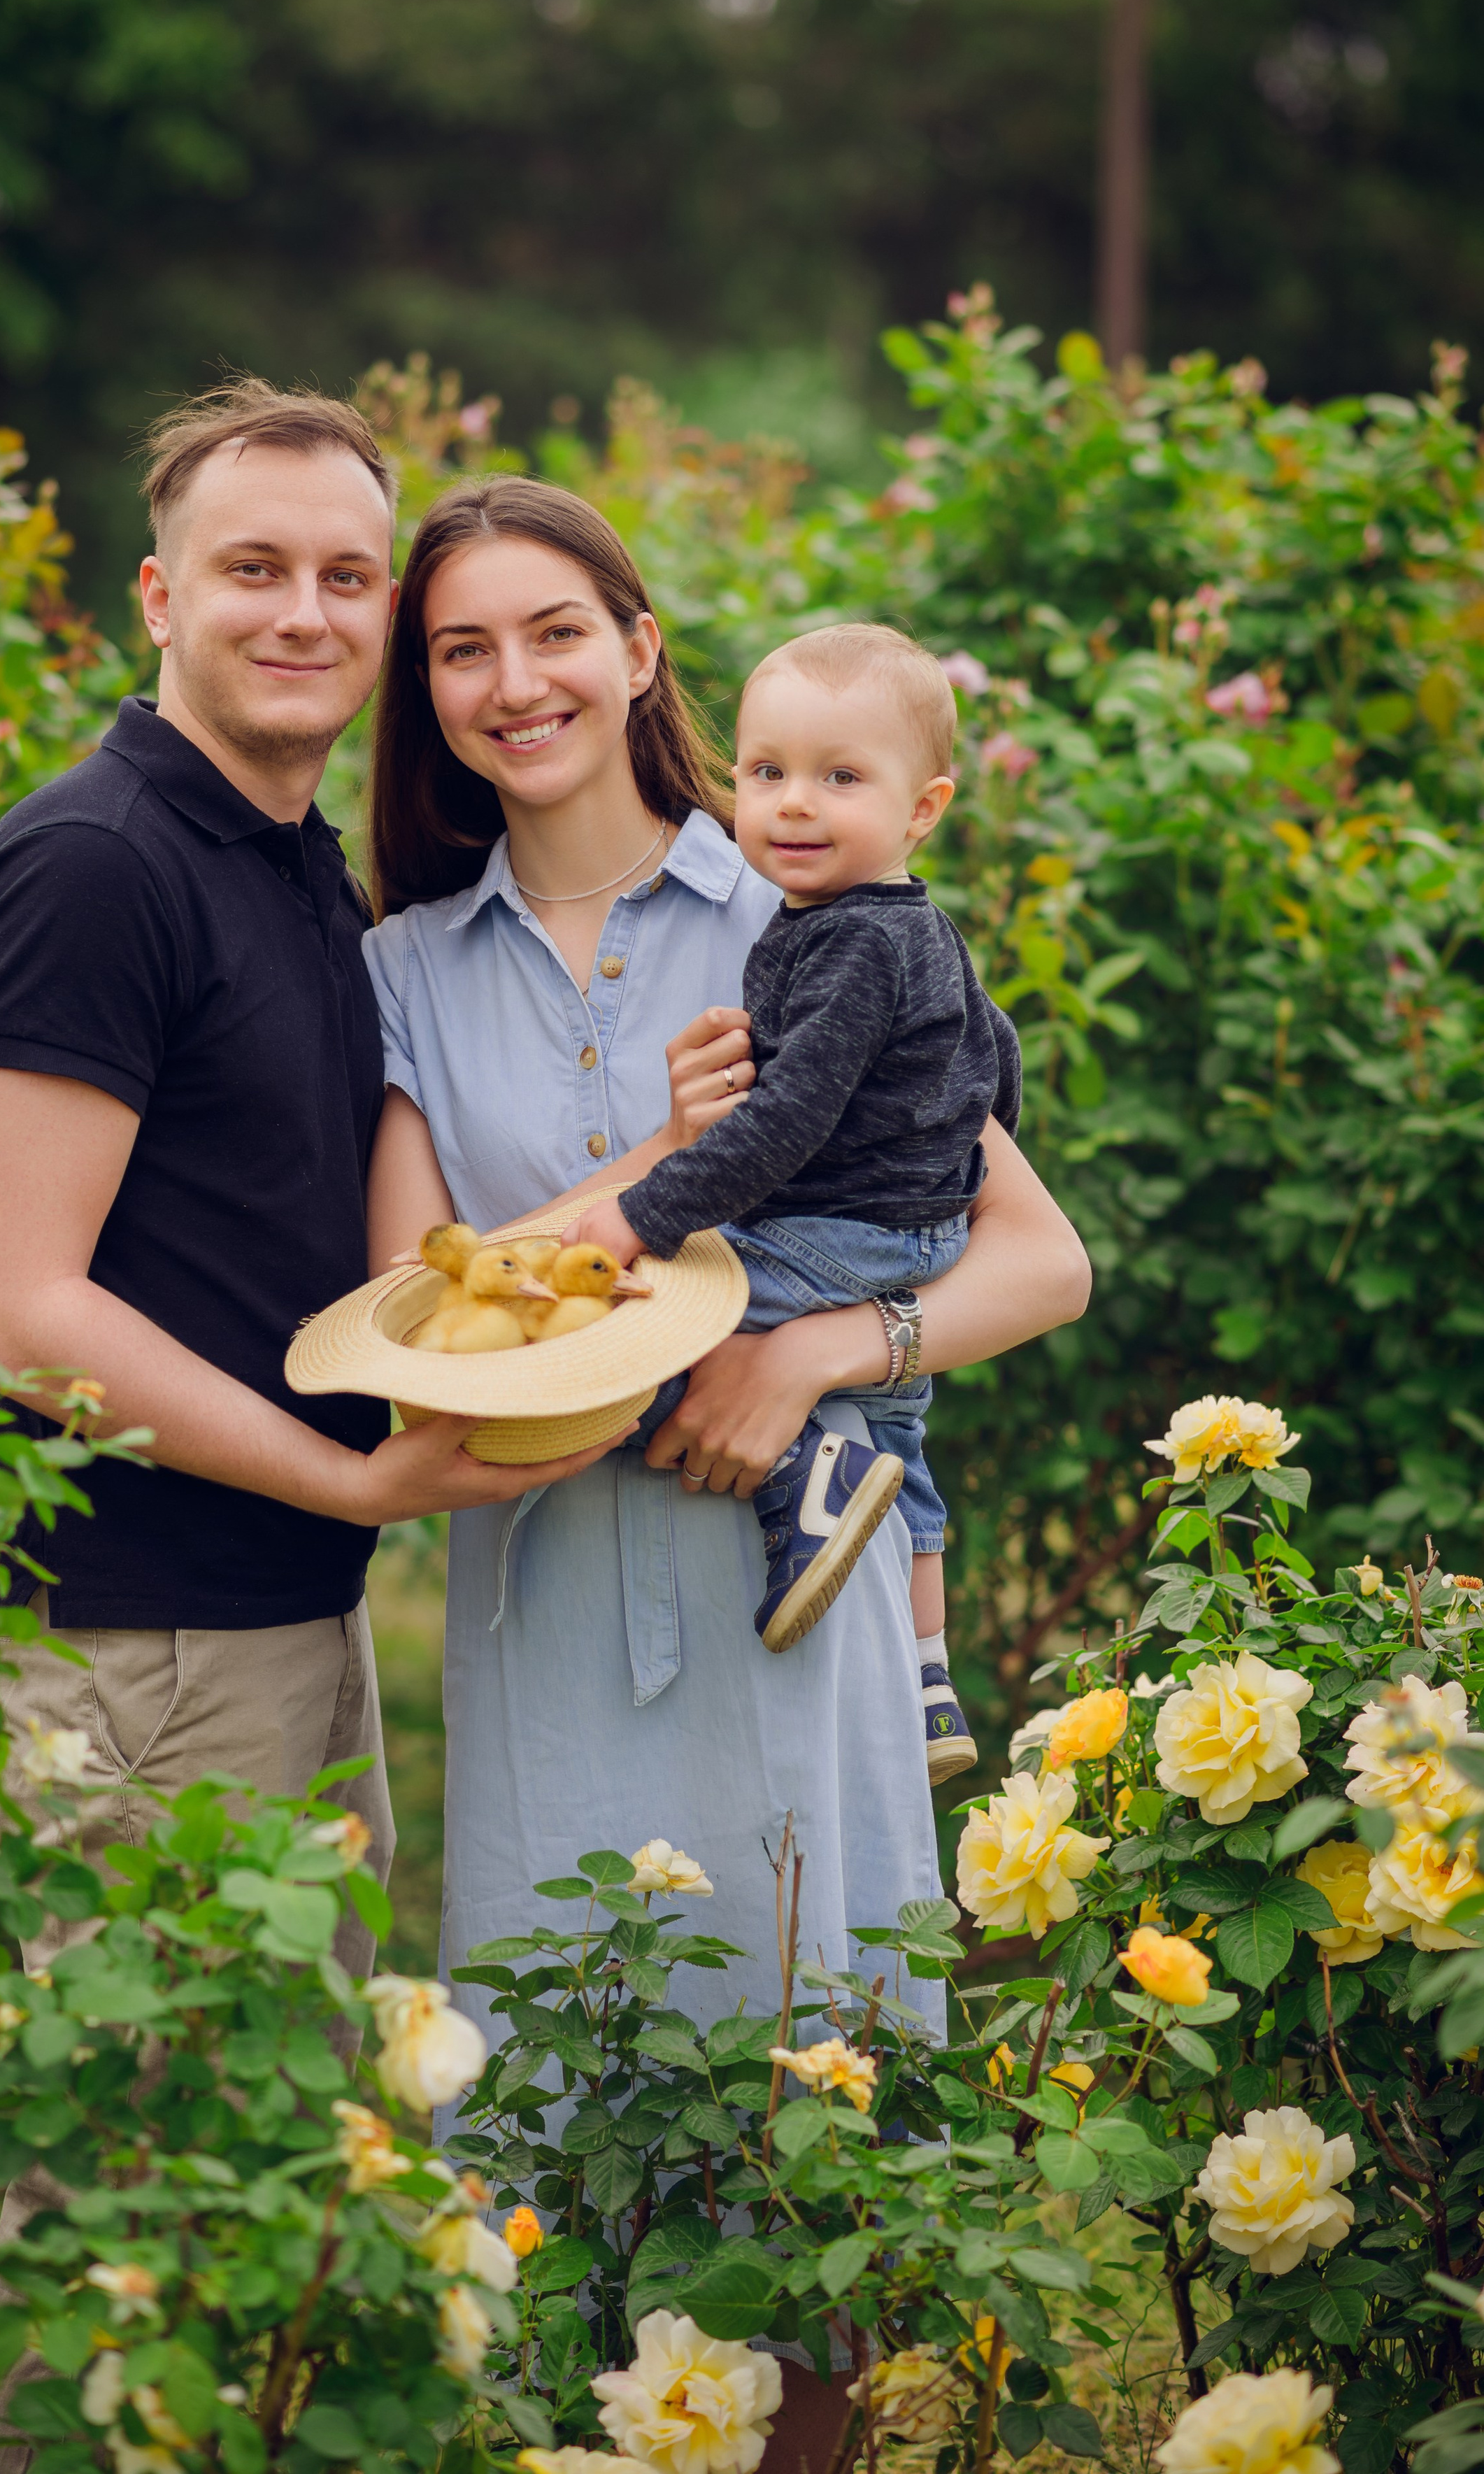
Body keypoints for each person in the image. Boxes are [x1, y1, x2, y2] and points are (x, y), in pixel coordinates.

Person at [361, 474, 1091, 2471]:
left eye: (555, 630)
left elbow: (1037, 1253)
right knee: (578, 2115)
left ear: (637, 644)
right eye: (461, 648)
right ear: (423, 694)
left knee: (806, 2099)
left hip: (795, 1585)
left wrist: (811, 1348)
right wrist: (635, 1274)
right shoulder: (404, 967)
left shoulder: (808, 895)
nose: (517, 682)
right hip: (552, 1597)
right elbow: (416, 1321)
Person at [0, 385, 622, 1935]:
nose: (302, 613)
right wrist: (355, 1483)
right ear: (162, 599)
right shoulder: (94, 870)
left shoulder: (303, 870)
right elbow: (10, 1309)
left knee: (274, 2158)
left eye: (344, 576)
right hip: (140, 1646)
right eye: (253, 569)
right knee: (126, 2162)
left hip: (280, 1614)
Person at [568, 622, 1015, 1777]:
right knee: (905, 1446)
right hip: (910, 1232)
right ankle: (928, 1685)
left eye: (841, 777)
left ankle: (797, 1472)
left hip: (840, 1231)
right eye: (767, 774)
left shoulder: (855, 943)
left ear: (925, 808)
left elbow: (787, 1122)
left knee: (637, 1333)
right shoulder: (910, 927)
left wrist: (643, 1213)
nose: (795, 805)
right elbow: (996, 1057)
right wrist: (945, 1182)